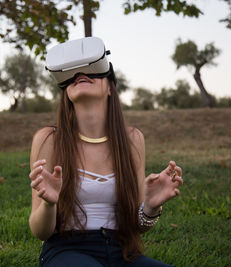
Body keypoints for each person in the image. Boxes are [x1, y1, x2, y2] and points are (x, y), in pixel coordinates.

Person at [29, 37, 183, 267]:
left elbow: (136, 226)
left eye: (91, 72)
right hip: (65, 250)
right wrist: (50, 204)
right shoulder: (49, 139)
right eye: (72, 75)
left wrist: (151, 207)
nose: (81, 75)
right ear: (66, 92)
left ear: (110, 88)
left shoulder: (132, 140)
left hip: (122, 252)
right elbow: (40, 231)